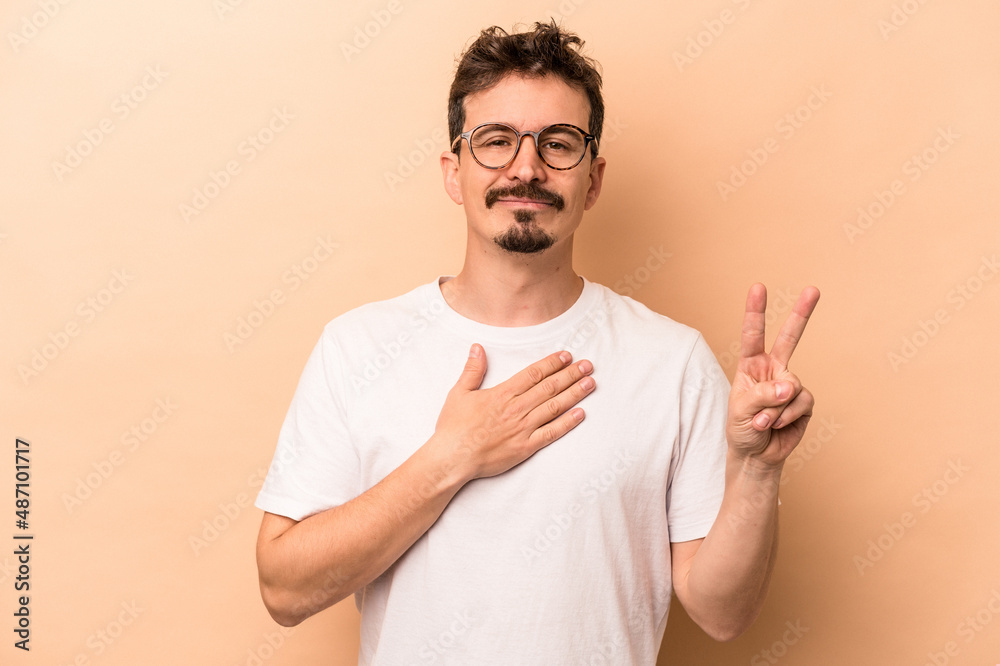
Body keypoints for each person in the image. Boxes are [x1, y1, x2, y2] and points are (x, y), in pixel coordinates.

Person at [254, 20, 820, 664]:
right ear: (453, 172)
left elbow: (722, 613)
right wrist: (451, 458)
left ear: (593, 180)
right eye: (496, 141)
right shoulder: (356, 347)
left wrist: (757, 470)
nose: (527, 168)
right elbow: (284, 590)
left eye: (558, 144)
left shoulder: (673, 362)